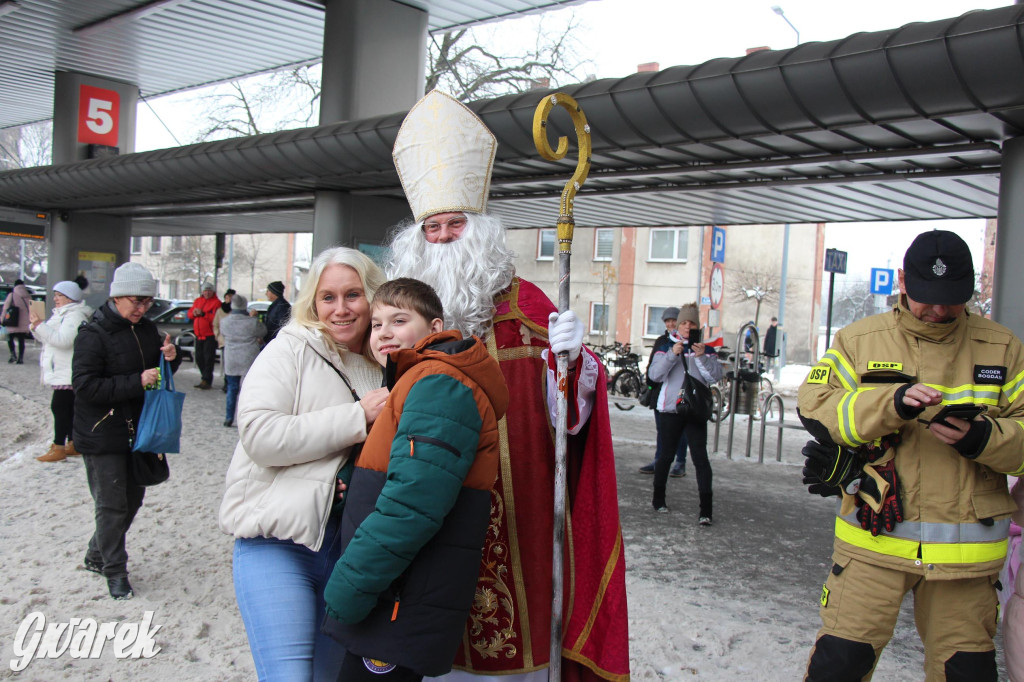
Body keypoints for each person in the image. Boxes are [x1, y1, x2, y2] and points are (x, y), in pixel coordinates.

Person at [386, 89, 629, 682]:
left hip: (511, 514)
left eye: (454, 224)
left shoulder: (526, 309)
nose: (442, 237)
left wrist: (573, 364)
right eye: (432, 227)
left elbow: (569, 418)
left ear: (478, 229)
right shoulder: (392, 319)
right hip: (421, 503)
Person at [797, 229, 1024, 681]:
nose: (938, 310)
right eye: (927, 297)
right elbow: (815, 406)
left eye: (951, 299)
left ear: (971, 288)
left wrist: (981, 439)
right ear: (902, 280)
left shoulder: (1004, 347)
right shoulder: (859, 340)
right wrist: (891, 405)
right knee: (838, 668)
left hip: (966, 562)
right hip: (872, 543)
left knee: (967, 673)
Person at [322, 277, 509, 681]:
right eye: (376, 323)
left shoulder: (440, 384)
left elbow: (413, 505)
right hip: (396, 588)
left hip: (398, 596)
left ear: (436, 329)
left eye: (399, 320)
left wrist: (351, 586)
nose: (384, 332)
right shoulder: (418, 379)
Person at [219, 246, 389, 682]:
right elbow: (258, 434)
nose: (340, 308)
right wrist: (357, 418)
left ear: (373, 297)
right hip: (277, 544)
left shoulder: (386, 363)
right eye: (327, 297)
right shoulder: (290, 349)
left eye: (353, 295)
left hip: (347, 553)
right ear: (313, 301)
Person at [72, 262, 180, 600]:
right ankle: (115, 572)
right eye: (137, 300)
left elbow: (158, 373)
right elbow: (84, 386)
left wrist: (171, 359)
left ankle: (95, 553)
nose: (142, 308)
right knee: (111, 504)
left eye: (148, 301)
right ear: (117, 296)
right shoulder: (93, 334)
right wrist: (136, 382)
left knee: (133, 499)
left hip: (140, 430)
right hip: (102, 432)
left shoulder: (147, 329)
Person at [647, 303, 722, 523]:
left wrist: (701, 357)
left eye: (692, 323)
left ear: (698, 326)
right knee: (665, 456)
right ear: (678, 325)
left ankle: (705, 510)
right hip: (670, 409)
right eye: (684, 323)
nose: (688, 327)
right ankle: (658, 499)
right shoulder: (666, 345)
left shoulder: (706, 350)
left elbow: (714, 377)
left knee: (700, 458)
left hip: (696, 411)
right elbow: (654, 375)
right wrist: (672, 354)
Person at [30, 277, 93, 462]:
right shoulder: (61, 313)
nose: (56, 298)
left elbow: (64, 341)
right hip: (62, 370)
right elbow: (48, 338)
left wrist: (40, 326)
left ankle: (58, 446)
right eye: (55, 295)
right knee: (67, 408)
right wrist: (36, 326)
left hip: (68, 371)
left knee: (59, 407)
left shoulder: (74, 315)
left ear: (70, 297)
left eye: (60, 295)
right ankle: (73, 444)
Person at [639, 306, 687, 477]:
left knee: (681, 430)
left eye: (674, 320)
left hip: (680, 392)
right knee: (662, 429)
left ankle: (680, 462)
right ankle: (659, 460)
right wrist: (650, 383)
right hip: (660, 391)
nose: (671, 324)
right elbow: (653, 364)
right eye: (667, 321)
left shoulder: (685, 342)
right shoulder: (661, 341)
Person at [219, 293, 265, 428]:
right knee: (248, 389)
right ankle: (245, 418)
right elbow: (263, 332)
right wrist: (255, 318)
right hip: (249, 358)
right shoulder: (252, 322)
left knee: (232, 388)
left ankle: (228, 417)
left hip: (231, 358)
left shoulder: (225, 322)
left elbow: (223, 334)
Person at [189, 282, 221, 390]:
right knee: (198, 358)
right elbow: (189, 314)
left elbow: (216, 319)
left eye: (209, 290)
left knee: (208, 359)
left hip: (209, 335)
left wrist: (203, 314)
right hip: (199, 335)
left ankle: (207, 380)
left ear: (213, 291)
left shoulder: (216, 303)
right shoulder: (198, 301)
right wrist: (194, 313)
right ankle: (204, 377)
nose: (207, 293)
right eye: (205, 290)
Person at [2, 278, 32, 364]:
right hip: (24, 322)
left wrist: (2, 318)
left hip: (12, 321)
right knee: (21, 340)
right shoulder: (28, 295)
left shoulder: (12, 295)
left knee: (10, 339)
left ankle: (13, 355)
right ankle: (20, 358)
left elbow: (6, 308)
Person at [213, 288, 236, 391]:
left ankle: (231, 384)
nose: (229, 300)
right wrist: (217, 335)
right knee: (226, 363)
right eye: (227, 297)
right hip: (223, 341)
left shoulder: (237, 311)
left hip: (235, 341)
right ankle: (226, 383)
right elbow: (215, 324)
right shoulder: (220, 310)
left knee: (233, 364)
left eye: (231, 298)